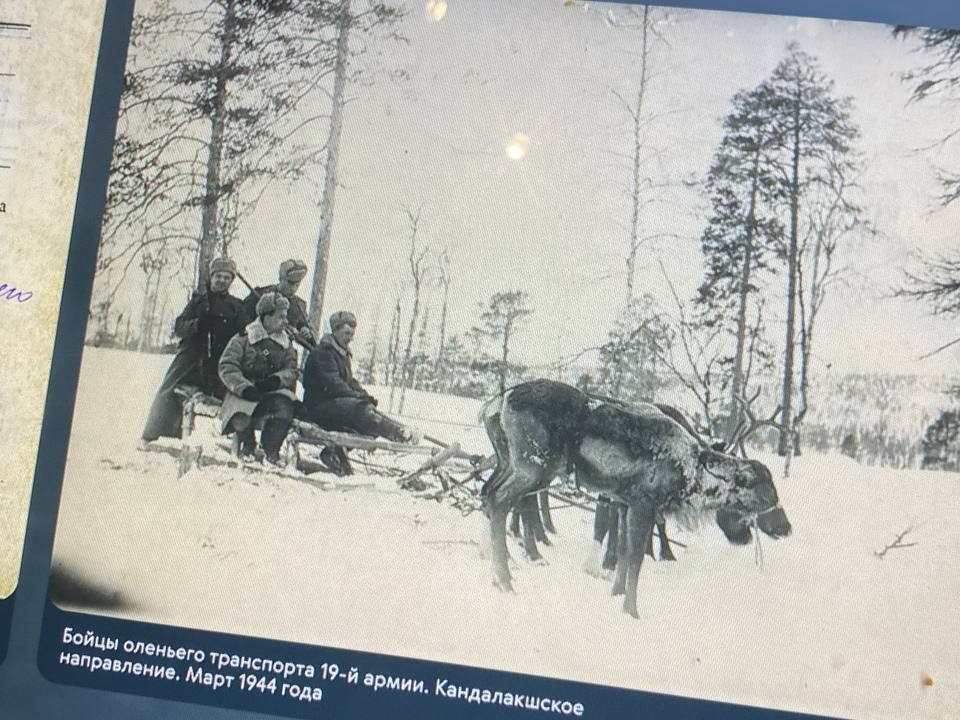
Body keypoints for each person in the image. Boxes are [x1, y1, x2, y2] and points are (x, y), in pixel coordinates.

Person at [140, 257, 245, 446]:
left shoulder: (236, 306)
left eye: (226, 277)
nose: (221, 280)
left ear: (231, 281)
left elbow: (242, 333)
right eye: (218, 276)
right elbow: (179, 326)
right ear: (211, 278)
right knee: (169, 389)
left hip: (217, 362)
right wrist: (197, 324)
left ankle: (236, 442)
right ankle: (152, 434)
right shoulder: (199, 301)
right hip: (191, 357)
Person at [302, 310, 421, 458]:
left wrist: (364, 395)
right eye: (346, 334)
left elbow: (349, 381)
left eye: (352, 335)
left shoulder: (341, 353)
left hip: (334, 405)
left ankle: (400, 431)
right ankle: (400, 434)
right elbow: (334, 384)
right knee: (362, 411)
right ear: (335, 331)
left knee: (368, 412)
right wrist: (358, 397)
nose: (350, 339)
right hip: (318, 407)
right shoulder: (324, 353)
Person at [218, 292, 300, 464]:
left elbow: (292, 369)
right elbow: (227, 366)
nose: (286, 321)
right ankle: (247, 446)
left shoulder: (286, 343)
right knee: (240, 412)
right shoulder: (244, 338)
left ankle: (271, 451)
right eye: (281, 316)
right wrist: (244, 387)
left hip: (270, 391)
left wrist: (276, 380)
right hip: (242, 391)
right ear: (266, 317)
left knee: (285, 408)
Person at [241, 258, 316, 344]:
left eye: (297, 284)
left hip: (283, 350)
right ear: (281, 279)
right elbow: (243, 320)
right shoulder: (260, 294)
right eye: (290, 283)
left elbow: (307, 329)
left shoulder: (299, 305)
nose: (293, 288)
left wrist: (305, 331)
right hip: (257, 345)